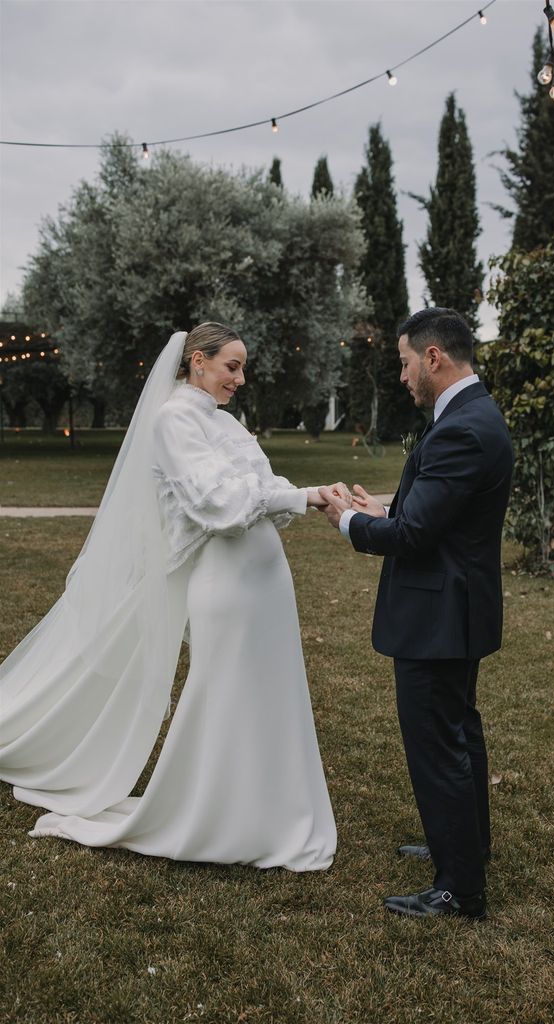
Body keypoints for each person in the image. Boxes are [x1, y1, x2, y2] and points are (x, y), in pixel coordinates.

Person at [0, 323, 338, 872]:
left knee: (270, 695)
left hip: (265, 583)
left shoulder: (225, 423)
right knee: (224, 695)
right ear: (197, 361)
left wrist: (317, 497)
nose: (240, 378)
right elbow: (219, 505)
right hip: (225, 583)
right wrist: (303, 496)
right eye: (232, 365)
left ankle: (268, 807)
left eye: (242, 367)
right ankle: (214, 814)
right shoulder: (174, 419)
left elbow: (267, 491)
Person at [320, 307, 513, 918]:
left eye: (404, 362)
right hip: (458, 608)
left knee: (438, 746)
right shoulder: (471, 414)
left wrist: (349, 521)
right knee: (459, 733)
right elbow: (432, 509)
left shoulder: (461, 426)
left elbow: (414, 537)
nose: (402, 375)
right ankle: (465, 845)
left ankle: (458, 887)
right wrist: (381, 505)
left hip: (438, 617)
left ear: (433, 358)